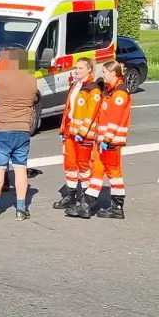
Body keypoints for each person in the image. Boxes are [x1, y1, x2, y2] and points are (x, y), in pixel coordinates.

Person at [0, 46, 39, 221]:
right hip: (23, 130)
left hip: (3, 129)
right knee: (20, 168)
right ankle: (21, 209)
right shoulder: (32, 79)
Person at [75, 60, 133, 219]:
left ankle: (117, 207)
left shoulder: (119, 94)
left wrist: (107, 140)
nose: (103, 75)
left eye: (105, 73)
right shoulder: (111, 92)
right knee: (97, 171)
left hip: (111, 143)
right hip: (105, 143)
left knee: (114, 174)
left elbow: (115, 120)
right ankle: (87, 204)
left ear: (113, 74)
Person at [53, 57, 102, 214]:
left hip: (83, 136)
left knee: (84, 167)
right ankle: (71, 195)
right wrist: (63, 129)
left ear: (89, 70)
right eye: (76, 67)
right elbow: (68, 110)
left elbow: (90, 114)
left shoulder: (93, 90)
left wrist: (82, 132)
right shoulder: (75, 86)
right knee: (69, 165)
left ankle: (85, 198)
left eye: (81, 68)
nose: (77, 70)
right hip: (70, 133)